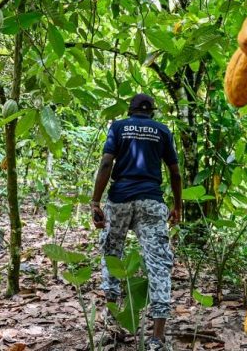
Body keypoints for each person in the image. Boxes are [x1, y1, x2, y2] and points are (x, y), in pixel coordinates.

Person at [91, 93, 182, 351]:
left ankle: (112, 327)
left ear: (130, 110)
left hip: (119, 200)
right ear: (152, 112)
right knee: (158, 265)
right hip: (151, 202)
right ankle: (157, 338)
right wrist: (178, 204)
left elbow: (107, 162)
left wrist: (95, 202)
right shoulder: (162, 131)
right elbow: (174, 172)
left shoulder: (118, 127)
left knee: (112, 256)